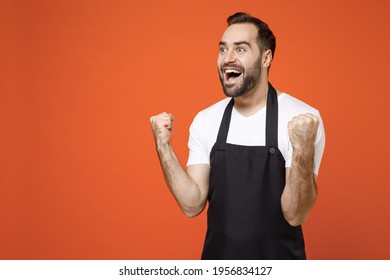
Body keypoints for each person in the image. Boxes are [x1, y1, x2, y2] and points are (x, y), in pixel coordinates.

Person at [150, 12, 325, 260]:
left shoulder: (302, 118)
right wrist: (163, 146)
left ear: (266, 58)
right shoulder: (206, 119)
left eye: (240, 50)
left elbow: (295, 214)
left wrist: (303, 147)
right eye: (223, 50)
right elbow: (192, 204)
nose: (227, 59)